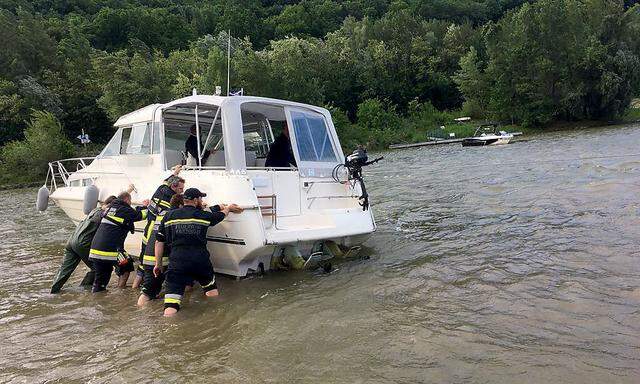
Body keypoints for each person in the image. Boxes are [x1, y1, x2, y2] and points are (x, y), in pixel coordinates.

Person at [155, 188, 243, 316]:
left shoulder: (169, 216)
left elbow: (159, 241)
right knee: (212, 293)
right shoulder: (202, 215)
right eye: (201, 198)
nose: (202, 201)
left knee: (171, 305)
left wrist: (158, 264)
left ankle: (169, 328)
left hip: (177, 262)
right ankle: (214, 319)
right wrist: (228, 208)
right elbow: (219, 216)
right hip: (200, 261)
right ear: (196, 200)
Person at [50, 195, 117, 293]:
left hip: (71, 241)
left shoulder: (95, 210)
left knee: (65, 269)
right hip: (82, 243)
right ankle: (86, 288)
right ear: (109, 206)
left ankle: (53, 291)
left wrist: (128, 191)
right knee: (99, 268)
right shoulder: (103, 213)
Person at [132, 165, 184, 289]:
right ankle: (147, 287)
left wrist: (175, 172)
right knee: (149, 266)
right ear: (174, 187)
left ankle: (134, 288)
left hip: (148, 229)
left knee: (142, 263)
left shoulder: (161, 189)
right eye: (181, 188)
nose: (182, 191)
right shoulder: (169, 202)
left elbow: (166, 181)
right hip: (153, 234)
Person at [89, 190, 149, 292]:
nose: (130, 204)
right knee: (126, 266)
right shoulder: (123, 210)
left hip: (95, 250)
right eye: (130, 201)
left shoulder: (110, 208)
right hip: (112, 251)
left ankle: (97, 299)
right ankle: (121, 291)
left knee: (100, 281)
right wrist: (147, 206)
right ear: (126, 200)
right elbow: (141, 215)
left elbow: (131, 213)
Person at [136, 193, 183, 306]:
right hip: (160, 259)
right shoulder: (174, 215)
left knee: (151, 290)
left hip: (149, 256)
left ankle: (145, 312)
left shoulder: (162, 213)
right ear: (181, 205)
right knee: (148, 292)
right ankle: (143, 316)